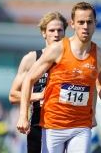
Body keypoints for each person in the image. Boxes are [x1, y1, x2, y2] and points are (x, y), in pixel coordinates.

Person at [17, 1, 101, 153]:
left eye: (89, 22)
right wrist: (23, 116)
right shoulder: (57, 49)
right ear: (72, 24)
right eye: (81, 22)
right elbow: (29, 79)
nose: (85, 27)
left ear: (95, 23)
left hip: (81, 127)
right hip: (53, 124)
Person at [9, 11, 68, 153]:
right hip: (37, 122)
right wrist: (40, 96)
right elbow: (13, 95)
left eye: (60, 30)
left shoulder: (71, 59)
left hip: (65, 122)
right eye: (52, 30)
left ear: (65, 33)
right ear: (43, 33)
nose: (56, 34)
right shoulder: (31, 58)